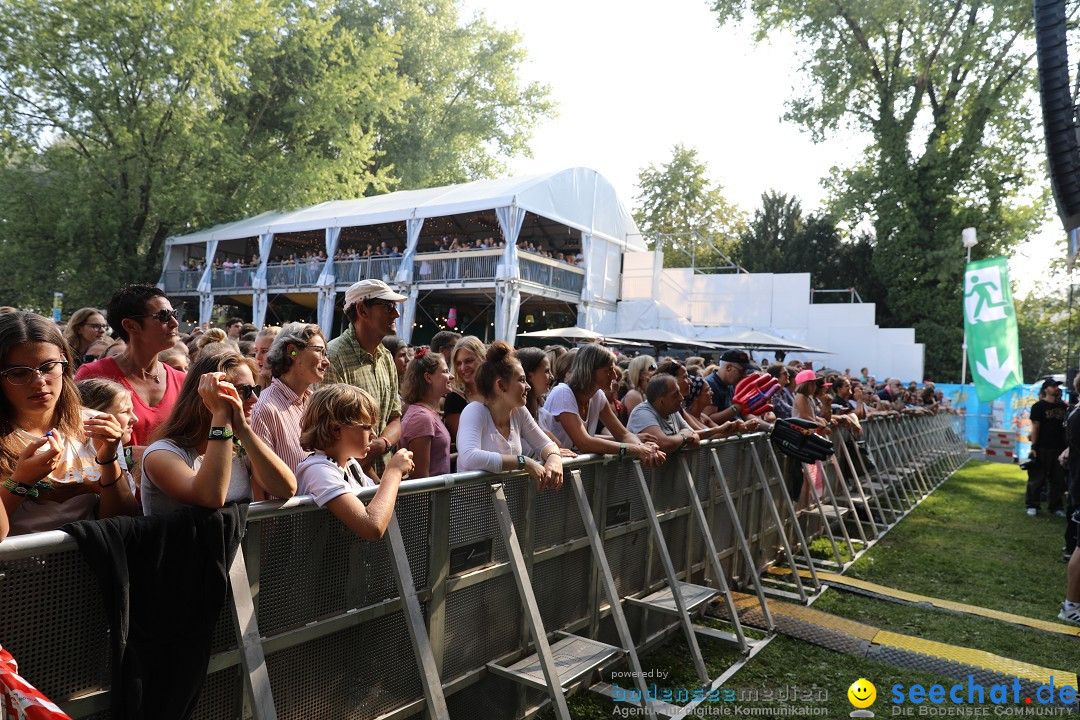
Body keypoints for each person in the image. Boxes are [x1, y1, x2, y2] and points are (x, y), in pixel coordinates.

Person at [0, 312, 140, 535]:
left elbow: (123, 518)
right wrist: (21, 482)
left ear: (64, 363)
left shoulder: (94, 424)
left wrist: (108, 460)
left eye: (48, 367)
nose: (39, 381)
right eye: (18, 373)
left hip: (90, 564)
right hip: (16, 567)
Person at [141, 347, 296, 515]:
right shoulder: (161, 454)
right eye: (243, 391)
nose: (254, 399)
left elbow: (286, 489)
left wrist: (243, 429)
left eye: (255, 389)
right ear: (205, 397)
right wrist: (221, 414)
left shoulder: (239, 448)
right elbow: (210, 497)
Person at [75, 285, 186, 460]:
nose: (174, 323)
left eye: (175, 315)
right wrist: (128, 456)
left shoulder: (182, 380)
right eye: (164, 316)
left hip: (172, 486)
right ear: (130, 326)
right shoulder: (93, 374)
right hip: (112, 484)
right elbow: (76, 441)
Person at [295, 384, 415, 540]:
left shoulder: (350, 464)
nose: (373, 435)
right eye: (366, 427)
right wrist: (394, 472)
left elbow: (377, 500)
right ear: (336, 430)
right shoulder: (318, 471)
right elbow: (372, 526)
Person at [457, 342, 564, 490]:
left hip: (508, 505)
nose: (528, 386)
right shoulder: (474, 411)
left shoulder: (519, 411)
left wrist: (554, 459)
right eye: (521, 380)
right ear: (501, 385)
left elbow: (546, 444)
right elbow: (470, 458)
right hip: (471, 507)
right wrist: (523, 462)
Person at [325, 279, 405, 475]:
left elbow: (395, 419)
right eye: (388, 306)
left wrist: (381, 444)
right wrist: (372, 477)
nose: (396, 313)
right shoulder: (333, 357)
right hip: (349, 483)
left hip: (381, 477)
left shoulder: (386, 357)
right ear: (362, 310)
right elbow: (330, 436)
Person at [541, 344, 665, 465]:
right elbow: (584, 443)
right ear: (589, 371)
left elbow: (623, 434)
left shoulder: (597, 395)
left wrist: (643, 447)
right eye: (608, 370)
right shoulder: (562, 393)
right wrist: (636, 449)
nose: (614, 376)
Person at [249, 323, 329, 474]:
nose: (326, 362)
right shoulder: (264, 409)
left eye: (326, 354)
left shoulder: (315, 403)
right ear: (292, 352)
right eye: (319, 351)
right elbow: (260, 479)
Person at [399, 349, 452, 479]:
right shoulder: (421, 418)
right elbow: (420, 479)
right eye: (445, 371)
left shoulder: (427, 413)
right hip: (430, 499)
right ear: (428, 377)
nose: (451, 376)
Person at [77, 378, 139, 483]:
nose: (135, 419)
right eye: (124, 411)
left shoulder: (117, 451)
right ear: (93, 415)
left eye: (132, 410)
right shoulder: (68, 456)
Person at [627, 374, 700, 453]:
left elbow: (696, 439)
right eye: (675, 395)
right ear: (661, 402)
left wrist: (675, 443)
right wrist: (683, 436)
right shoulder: (642, 413)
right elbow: (664, 444)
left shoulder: (672, 410)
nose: (681, 398)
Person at [1027, 380, 1068, 517]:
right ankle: (1032, 505)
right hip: (1042, 447)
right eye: (1053, 386)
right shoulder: (1038, 406)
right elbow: (1035, 427)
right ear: (1045, 389)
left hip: (1059, 448)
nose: (1056, 388)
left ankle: (1056, 507)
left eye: (1057, 386)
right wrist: (1033, 447)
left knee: (1058, 480)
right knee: (1037, 478)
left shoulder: (1064, 407)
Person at [444, 335, 485, 443]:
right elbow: (462, 443)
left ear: (483, 358)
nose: (463, 368)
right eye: (458, 363)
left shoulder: (497, 391)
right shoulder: (454, 398)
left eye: (469, 361)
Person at [703, 349, 753, 424]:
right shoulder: (710, 384)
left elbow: (743, 414)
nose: (744, 375)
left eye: (746, 372)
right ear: (728, 367)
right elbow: (707, 419)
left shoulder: (731, 384)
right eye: (742, 371)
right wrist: (737, 407)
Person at [621, 355, 657, 419]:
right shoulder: (634, 395)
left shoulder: (646, 394)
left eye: (656, 366)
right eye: (652, 367)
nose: (656, 370)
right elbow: (642, 424)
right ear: (641, 375)